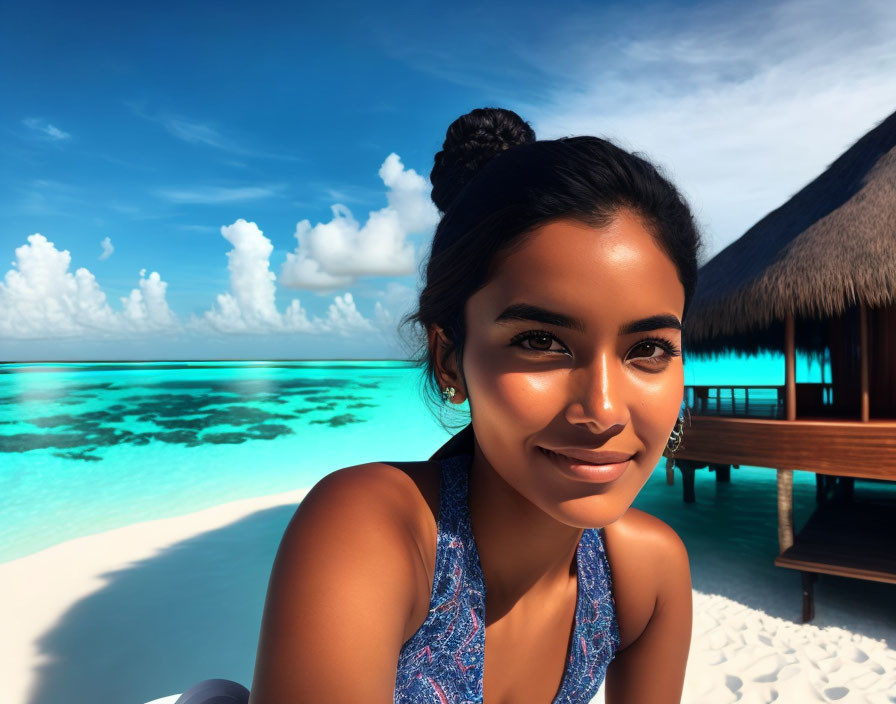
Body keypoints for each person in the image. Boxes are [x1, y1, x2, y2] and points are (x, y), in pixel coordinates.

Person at [248, 107, 700, 703]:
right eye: (540, 342)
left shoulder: (648, 575)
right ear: (448, 360)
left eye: (647, 349)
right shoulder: (372, 534)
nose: (605, 409)